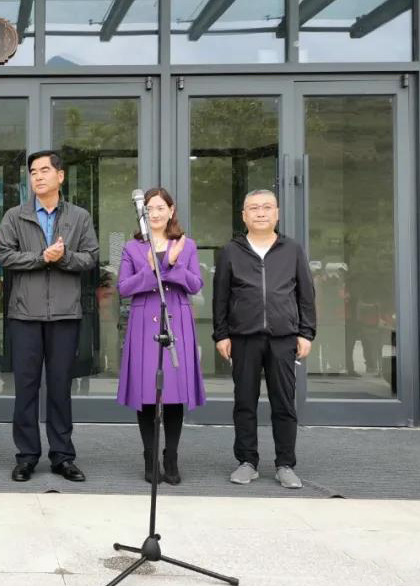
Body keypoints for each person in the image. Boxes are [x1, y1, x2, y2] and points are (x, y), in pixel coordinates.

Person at [0, 150, 99, 483]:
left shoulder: (79, 217)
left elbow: (91, 258)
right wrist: (42, 257)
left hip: (65, 315)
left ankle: (62, 456)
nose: (38, 176)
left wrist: (63, 257)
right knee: (25, 389)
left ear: (60, 176)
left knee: (59, 388)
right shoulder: (15, 216)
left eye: (44, 170)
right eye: (33, 172)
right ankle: (26, 456)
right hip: (25, 315)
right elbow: (4, 255)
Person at [212, 189, 316, 490]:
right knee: (244, 402)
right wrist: (221, 334)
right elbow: (221, 296)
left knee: (284, 403)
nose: (260, 212)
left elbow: (306, 294)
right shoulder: (231, 251)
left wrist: (306, 332)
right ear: (244, 215)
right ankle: (247, 461)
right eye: (254, 208)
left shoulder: (292, 249)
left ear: (277, 213)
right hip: (243, 337)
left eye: (267, 207)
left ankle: (285, 464)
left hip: (284, 337)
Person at [116, 187, 206, 485]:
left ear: (171, 210)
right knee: (147, 393)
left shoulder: (186, 245)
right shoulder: (132, 247)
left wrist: (173, 264)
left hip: (176, 320)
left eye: (160, 208)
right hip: (144, 322)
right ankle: (149, 455)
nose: (154, 213)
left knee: (174, 393)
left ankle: (171, 456)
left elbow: (195, 285)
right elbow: (123, 288)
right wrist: (151, 269)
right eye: (149, 209)